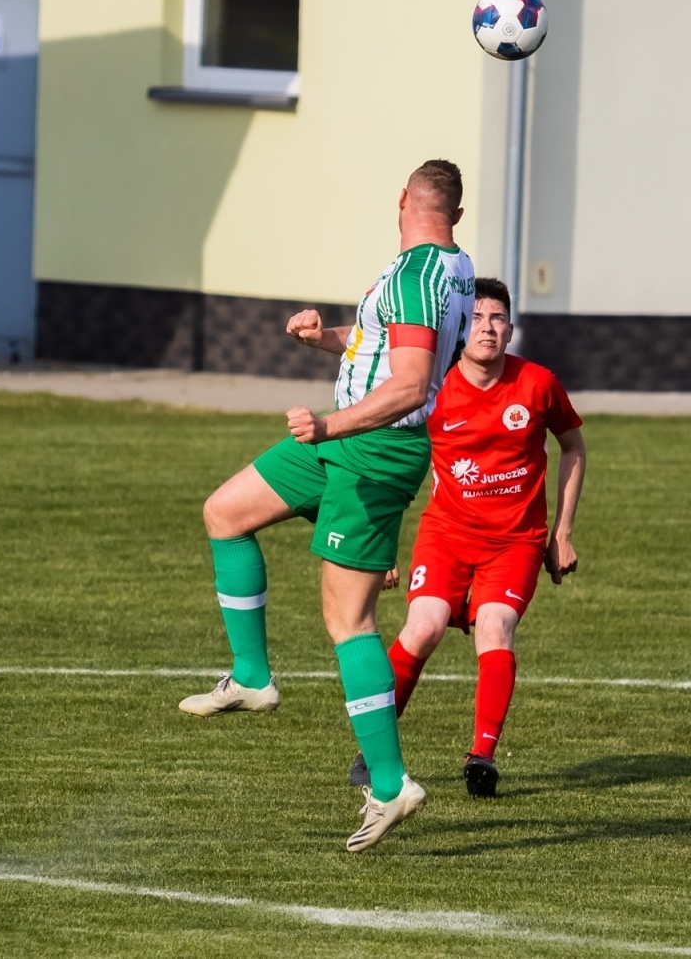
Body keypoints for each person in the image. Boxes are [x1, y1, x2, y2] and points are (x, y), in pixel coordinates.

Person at [179, 159, 475, 852]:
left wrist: (329, 423)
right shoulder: (451, 269)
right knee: (226, 512)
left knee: (350, 619)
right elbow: (393, 347)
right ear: (454, 214)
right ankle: (252, 679)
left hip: (372, 450)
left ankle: (392, 783)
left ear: (402, 200)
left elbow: (409, 385)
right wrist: (326, 341)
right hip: (346, 440)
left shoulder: (412, 276)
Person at [355, 277, 587, 797]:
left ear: (510, 329)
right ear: (462, 328)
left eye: (497, 318)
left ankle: (482, 756)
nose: (487, 327)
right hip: (447, 535)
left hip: (516, 542)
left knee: (495, 628)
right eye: (478, 317)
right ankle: (374, 752)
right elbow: (393, 464)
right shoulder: (431, 390)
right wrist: (383, 542)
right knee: (424, 626)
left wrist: (562, 532)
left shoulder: (538, 384)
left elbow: (574, 448)